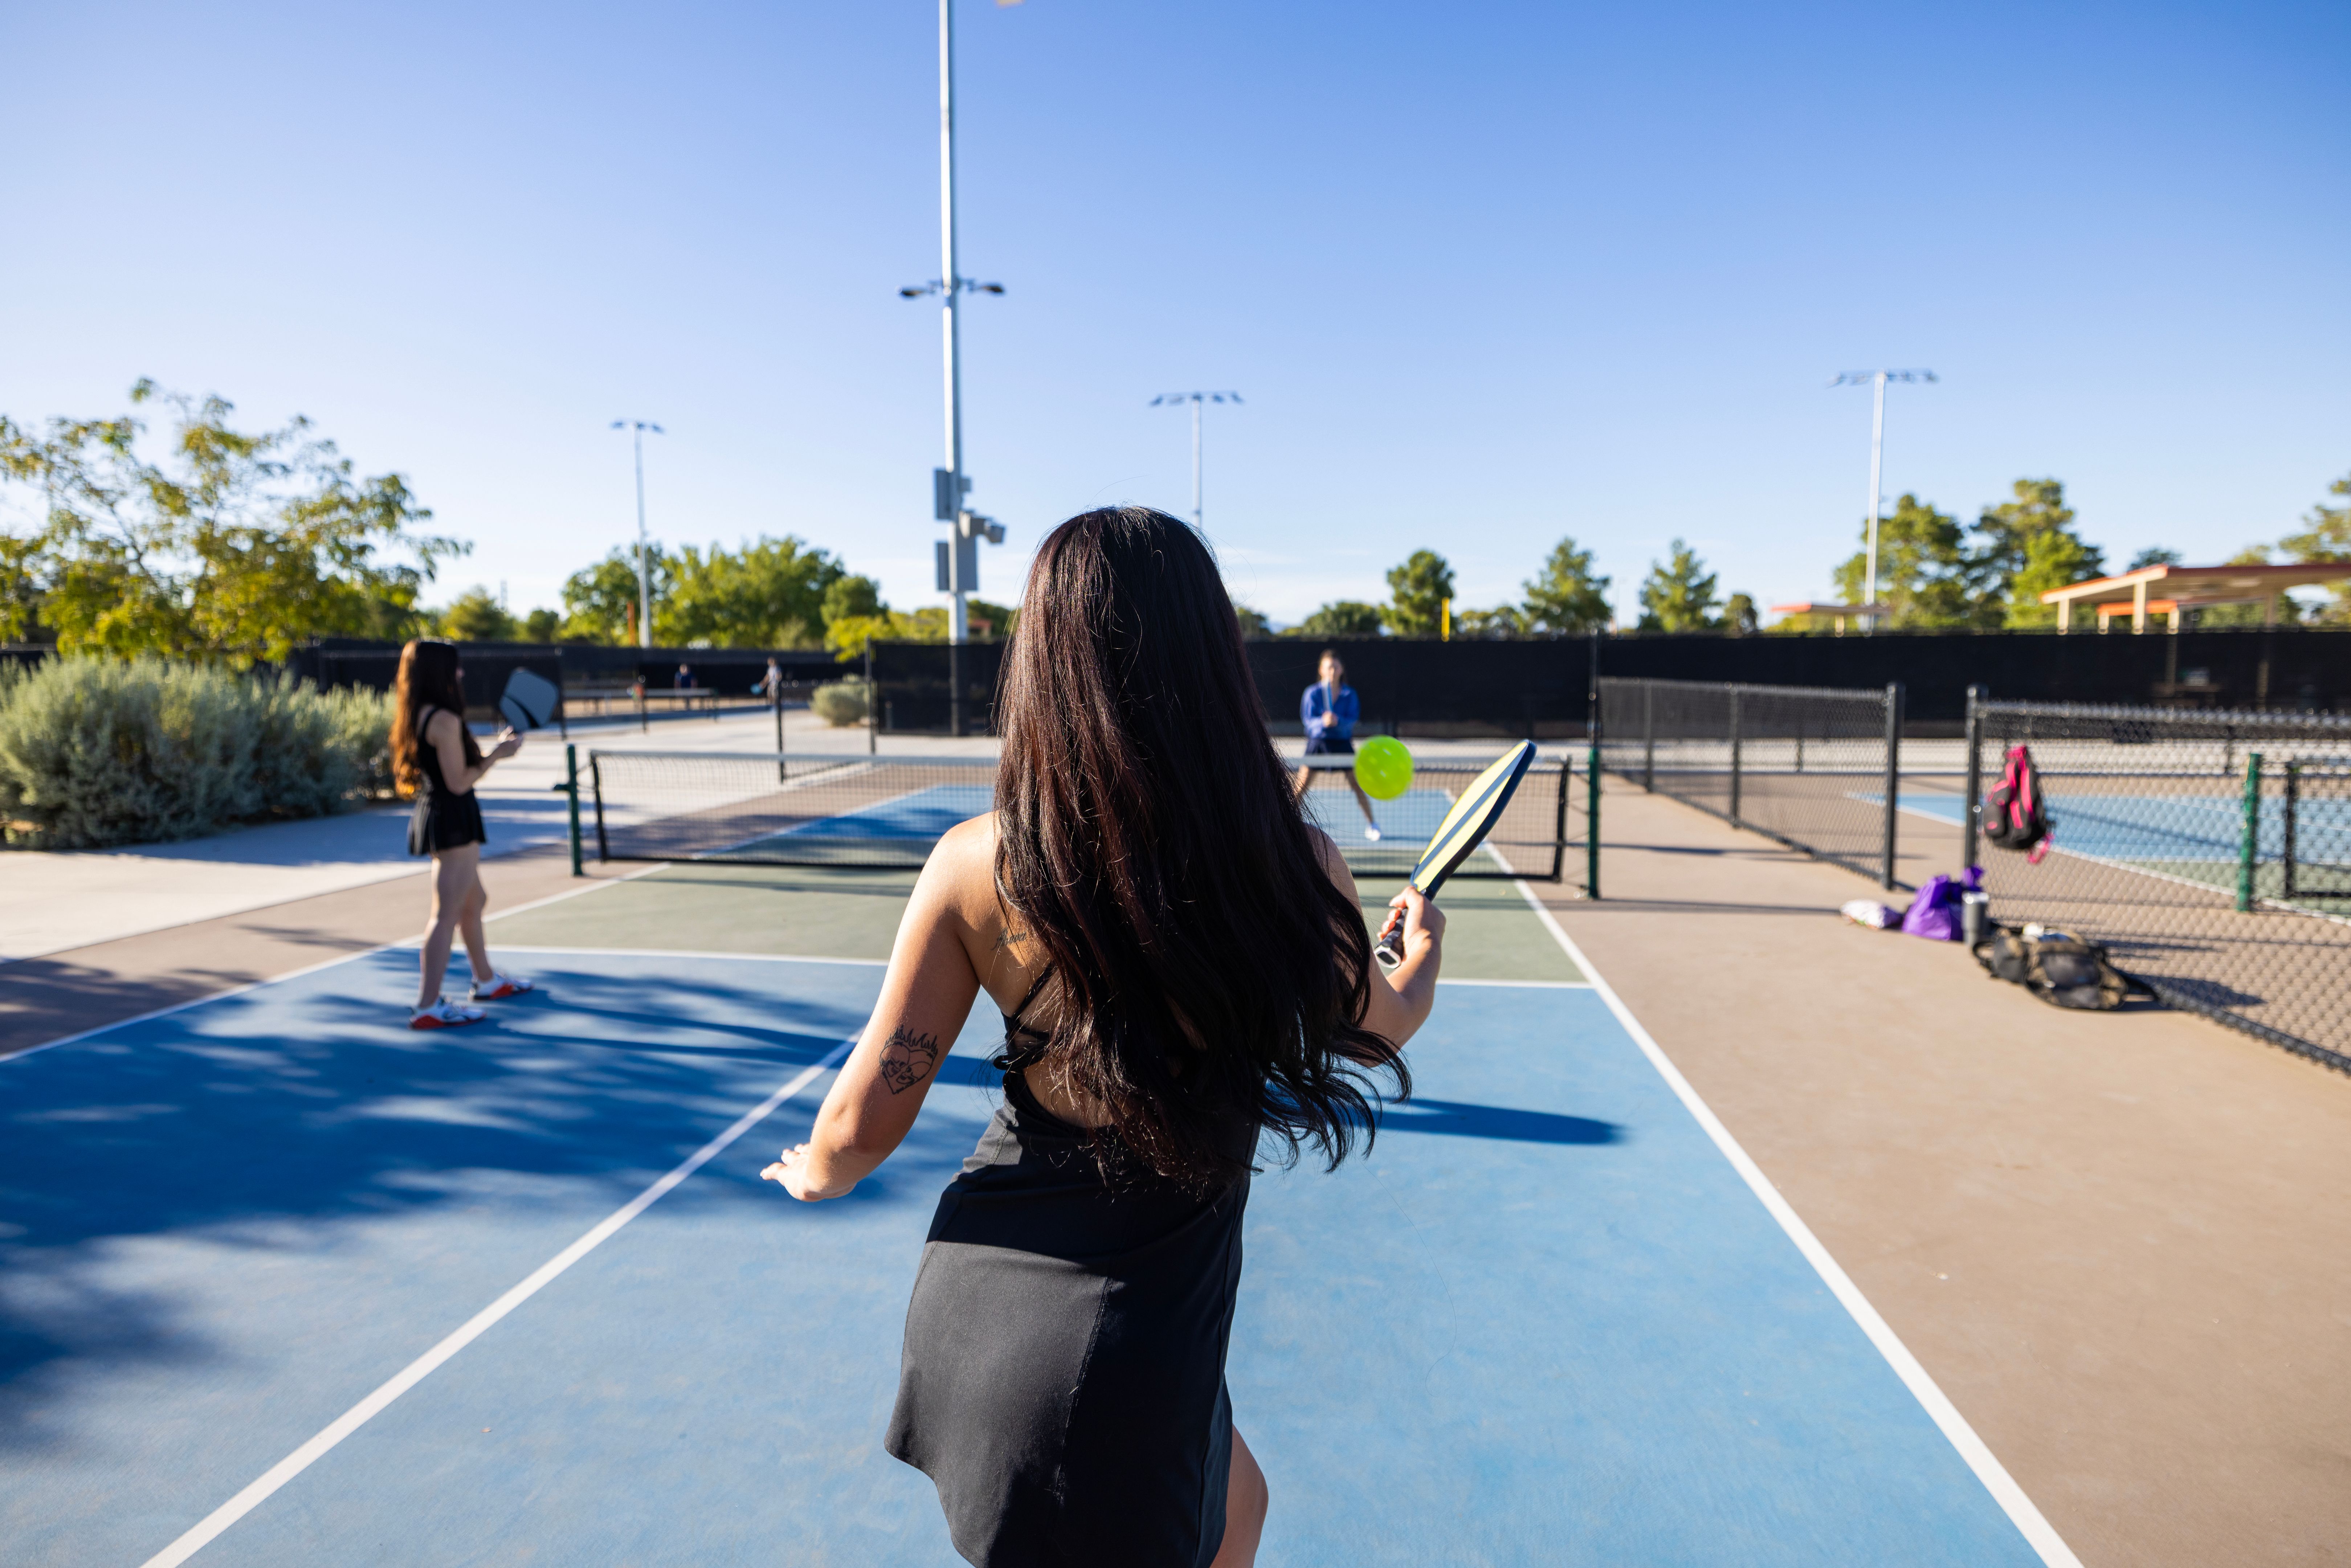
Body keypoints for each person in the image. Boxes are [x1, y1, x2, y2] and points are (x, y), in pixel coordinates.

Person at [762, 509, 1445, 1568]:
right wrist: (1418, 963)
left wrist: (814, 1169)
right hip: (1114, 1361)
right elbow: (1378, 1022)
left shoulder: (978, 863)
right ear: (1211, 658)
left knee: (1240, 1507)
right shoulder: (1294, 867)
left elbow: (858, 1123)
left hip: (991, 1305)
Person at [391, 639, 534, 1029]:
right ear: (440, 672)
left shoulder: (420, 713)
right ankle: (427, 1005)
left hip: (446, 815)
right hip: (452, 816)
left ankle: (486, 980)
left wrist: (492, 753)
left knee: (475, 901)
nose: (461, 674)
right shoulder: (445, 720)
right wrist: (497, 756)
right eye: (455, 667)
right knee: (445, 914)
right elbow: (458, 782)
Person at [1291, 649, 1381, 840]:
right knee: (1301, 785)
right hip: (1318, 744)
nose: (1332, 671)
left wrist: (1338, 722)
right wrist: (1322, 723)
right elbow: (1308, 721)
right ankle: (1285, 820)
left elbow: (1352, 722)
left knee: (1358, 784)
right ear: (1321, 670)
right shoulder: (1312, 693)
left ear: (1341, 670)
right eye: (1328, 668)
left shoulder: (1350, 694)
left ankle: (1372, 824)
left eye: (1336, 667)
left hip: (1342, 744)